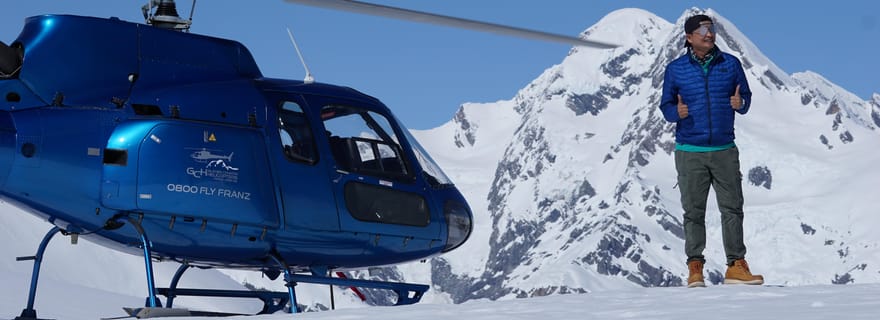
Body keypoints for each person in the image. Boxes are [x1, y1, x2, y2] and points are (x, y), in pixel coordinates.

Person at [659, 14, 763, 287]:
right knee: (693, 211)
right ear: (689, 37)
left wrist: (740, 102)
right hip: (689, 150)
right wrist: (675, 112)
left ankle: (736, 266)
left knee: (732, 208)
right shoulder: (676, 69)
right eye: (703, 30)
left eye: (712, 29)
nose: (709, 34)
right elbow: (666, 105)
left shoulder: (730, 64)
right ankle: (695, 267)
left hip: (724, 149)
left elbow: (747, 99)